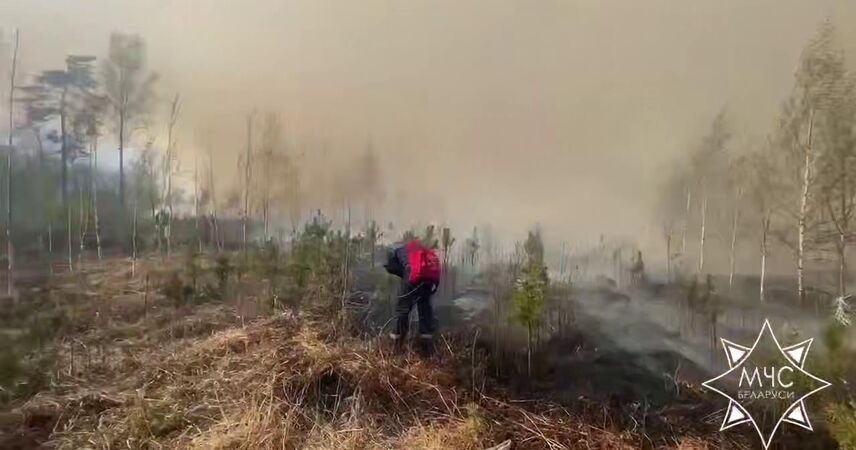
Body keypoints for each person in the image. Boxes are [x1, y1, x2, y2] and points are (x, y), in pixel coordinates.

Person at [384, 240, 440, 353]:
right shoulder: (418, 249)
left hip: (413, 274)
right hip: (428, 279)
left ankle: (396, 345)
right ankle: (426, 347)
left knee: (402, 309)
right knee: (425, 310)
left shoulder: (395, 252)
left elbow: (393, 268)